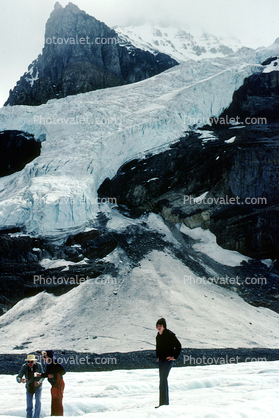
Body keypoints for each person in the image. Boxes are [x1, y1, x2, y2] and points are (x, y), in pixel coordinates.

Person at [155, 318, 181, 408]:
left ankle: (164, 404)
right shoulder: (158, 336)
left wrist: (174, 357)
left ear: (164, 326)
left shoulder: (169, 335)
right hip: (161, 361)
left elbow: (178, 346)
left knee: (163, 381)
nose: (159, 327)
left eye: (160, 326)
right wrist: (158, 357)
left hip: (168, 361)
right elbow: (158, 348)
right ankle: (163, 404)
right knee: (162, 382)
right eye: (157, 326)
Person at [37, 350, 66, 416]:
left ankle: (59, 416)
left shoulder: (55, 362)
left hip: (59, 384)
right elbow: (47, 374)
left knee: (58, 401)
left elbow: (63, 371)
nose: (44, 358)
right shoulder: (49, 365)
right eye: (43, 357)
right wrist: (41, 375)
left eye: (45, 357)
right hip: (54, 385)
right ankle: (54, 415)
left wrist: (54, 375)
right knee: (54, 401)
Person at [16, 354, 44, 418]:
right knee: (29, 405)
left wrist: (39, 382)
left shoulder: (39, 366)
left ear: (34, 361)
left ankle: (36, 417)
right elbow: (18, 377)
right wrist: (20, 380)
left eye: (31, 361)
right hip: (29, 387)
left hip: (38, 387)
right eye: (28, 361)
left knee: (38, 403)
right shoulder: (24, 367)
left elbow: (43, 376)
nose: (30, 363)